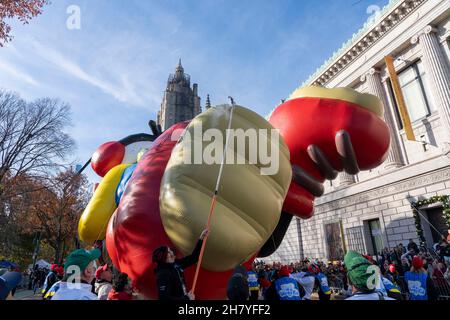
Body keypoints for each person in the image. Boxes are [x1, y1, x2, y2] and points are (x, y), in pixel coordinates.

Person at [152, 229, 208, 300]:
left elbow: (194, 258)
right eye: (169, 252)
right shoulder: (163, 274)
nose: (172, 252)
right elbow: (164, 298)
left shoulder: (176, 264)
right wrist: (186, 298)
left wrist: (201, 239)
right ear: (165, 257)